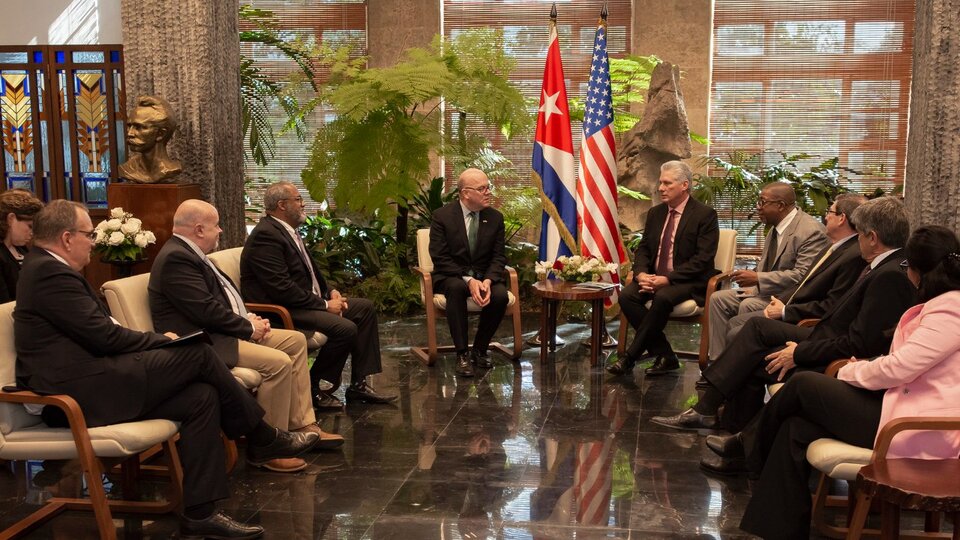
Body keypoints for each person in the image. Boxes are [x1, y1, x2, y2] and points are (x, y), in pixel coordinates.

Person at [14, 200, 320, 539]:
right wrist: (160, 341)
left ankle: (200, 513)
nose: (95, 241)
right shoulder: (48, 272)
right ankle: (263, 437)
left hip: (98, 378)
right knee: (199, 354)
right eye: (90, 234)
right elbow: (104, 336)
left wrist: (160, 342)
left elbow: (98, 333)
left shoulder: (49, 268)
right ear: (67, 238)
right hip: (77, 393)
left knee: (200, 397)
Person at [720, 225, 960, 540]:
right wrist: (861, 367)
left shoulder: (950, 310)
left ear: (919, 271)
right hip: (897, 409)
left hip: (916, 426)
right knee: (795, 427)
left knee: (805, 384)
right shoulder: (943, 305)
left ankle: (747, 447)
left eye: (907, 266)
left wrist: (848, 370)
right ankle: (776, 528)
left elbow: (899, 368)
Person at [652, 196, 918, 434]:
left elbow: (859, 341)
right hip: (822, 333)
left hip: (832, 349)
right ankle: (722, 418)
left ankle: (714, 410)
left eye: (860, 233)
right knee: (757, 331)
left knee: (757, 347)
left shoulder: (889, 276)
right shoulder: (887, 266)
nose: (857, 238)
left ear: (872, 237)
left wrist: (800, 351)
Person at [150, 199, 344, 473]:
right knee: (277, 362)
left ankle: (300, 423)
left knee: (295, 340)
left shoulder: (192, 253)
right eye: (216, 226)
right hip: (206, 342)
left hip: (223, 331)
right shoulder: (176, 258)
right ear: (198, 229)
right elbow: (205, 311)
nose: (220, 231)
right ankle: (268, 446)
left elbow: (219, 301)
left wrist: (247, 319)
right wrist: (247, 328)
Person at [241, 181, 396, 406]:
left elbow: (311, 271)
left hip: (303, 302)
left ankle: (358, 386)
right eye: (298, 199)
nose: (303, 204)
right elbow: (281, 289)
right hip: (282, 310)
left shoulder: (287, 230)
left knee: (364, 308)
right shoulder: (266, 236)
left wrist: (331, 291)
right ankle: (313, 387)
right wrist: (324, 306)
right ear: (282, 205)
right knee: (345, 328)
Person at [607, 161, 719, 377]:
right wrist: (640, 274)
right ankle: (666, 354)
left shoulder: (705, 215)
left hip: (689, 281)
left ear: (684, 185)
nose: (661, 188)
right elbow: (644, 250)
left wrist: (668, 279)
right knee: (627, 295)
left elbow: (703, 260)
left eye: (667, 183)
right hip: (653, 277)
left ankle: (630, 357)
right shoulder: (656, 213)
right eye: (660, 183)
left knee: (663, 298)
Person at [720, 193, 868, 343]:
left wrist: (784, 310)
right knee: (734, 321)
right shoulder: (832, 247)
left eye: (829, 211)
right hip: (789, 304)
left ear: (841, 218)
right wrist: (779, 301)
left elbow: (830, 304)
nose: (826, 217)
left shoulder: (853, 256)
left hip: (807, 321)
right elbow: (803, 283)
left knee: (739, 331)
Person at [707, 182, 829, 359]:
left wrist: (758, 278)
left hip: (789, 298)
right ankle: (717, 361)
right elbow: (768, 265)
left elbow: (803, 276)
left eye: (762, 202)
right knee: (718, 299)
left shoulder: (810, 231)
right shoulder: (776, 227)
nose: (758, 207)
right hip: (767, 291)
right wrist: (754, 279)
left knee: (748, 304)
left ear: (780, 205)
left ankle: (741, 364)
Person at [428, 168, 509, 377]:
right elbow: (439, 257)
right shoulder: (442, 217)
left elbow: (499, 257)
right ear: (465, 193)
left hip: (485, 276)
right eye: (482, 188)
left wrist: (489, 280)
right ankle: (462, 354)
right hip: (452, 275)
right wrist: (468, 279)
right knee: (456, 289)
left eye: (488, 187)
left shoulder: (495, 218)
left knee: (500, 296)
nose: (488, 192)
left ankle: (480, 350)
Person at [117, 95, 182, 183]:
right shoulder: (128, 169)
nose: (130, 133)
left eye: (139, 127)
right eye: (129, 126)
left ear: (160, 134)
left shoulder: (170, 170)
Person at [1, 189, 43, 303]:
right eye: (29, 226)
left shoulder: (21, 247)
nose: (32, 232)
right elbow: (4, 304)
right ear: (11, 219)